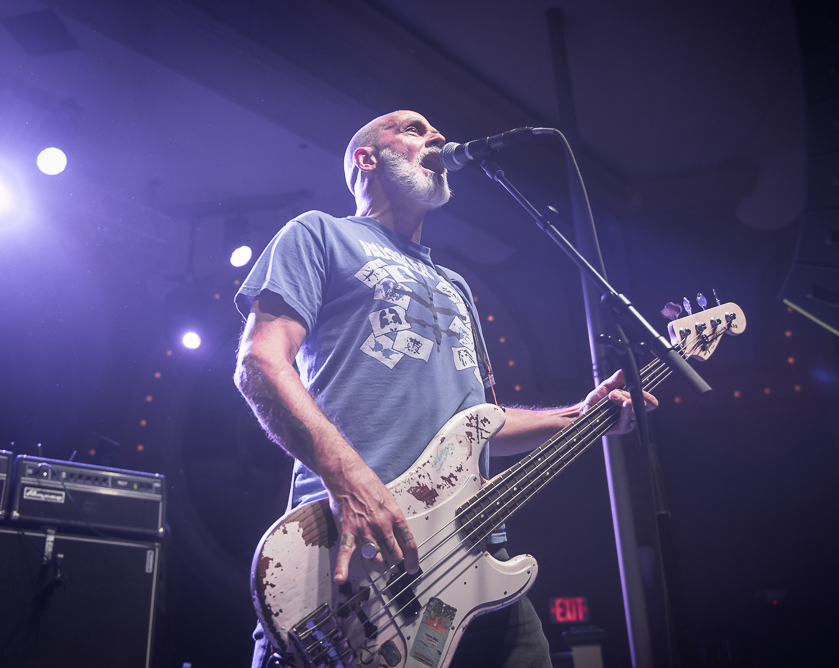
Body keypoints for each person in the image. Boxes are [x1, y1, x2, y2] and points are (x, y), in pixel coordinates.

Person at [234, 110, 657, 668]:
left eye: (434, 130)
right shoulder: (319, 234)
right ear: (366, 159)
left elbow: (480, 422)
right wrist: (349, 477)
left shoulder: (454, 284)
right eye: (412, 129)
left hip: (474, 556)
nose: (435, 136)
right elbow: (260, 364)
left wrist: (582, 414)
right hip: (358, 549)